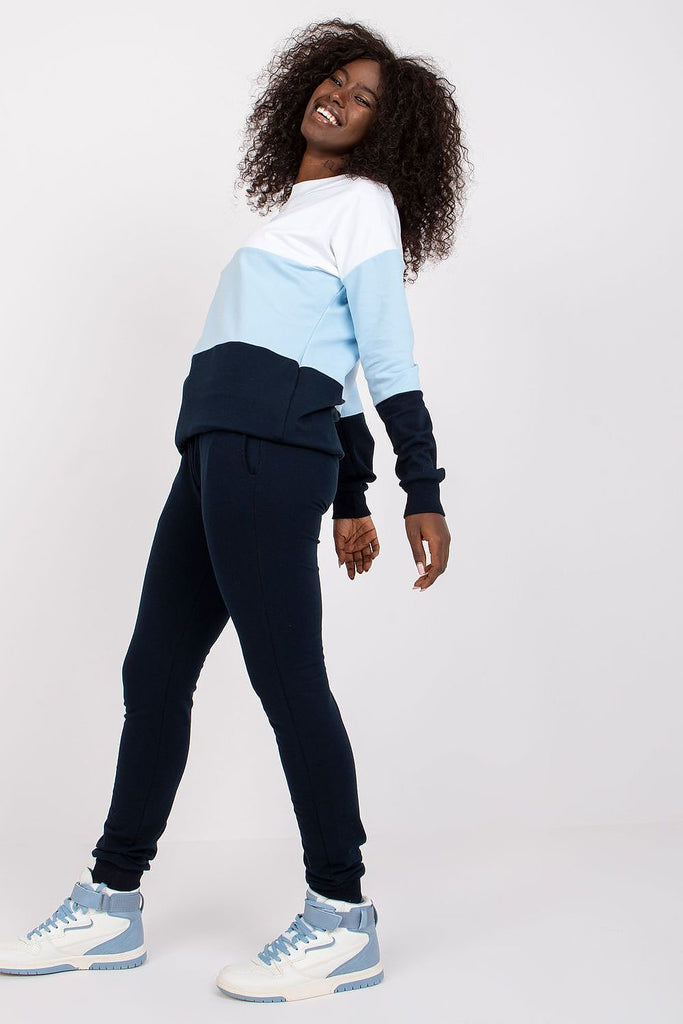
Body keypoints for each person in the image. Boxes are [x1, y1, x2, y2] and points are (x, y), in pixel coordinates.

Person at [0, 18, 470, 1002]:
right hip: (219, 451)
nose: (339, 98)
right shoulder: (294, 216)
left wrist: (418, 486)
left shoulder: (363, 204)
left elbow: (383, 356)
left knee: (286, 678)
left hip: (262, 453)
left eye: (366, 99)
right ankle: (110, 902)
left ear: (386, 133)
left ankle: (340, 915)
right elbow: (330, 372)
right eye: (334, 79)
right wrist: (350, 495)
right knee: (154, 669)